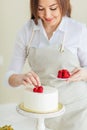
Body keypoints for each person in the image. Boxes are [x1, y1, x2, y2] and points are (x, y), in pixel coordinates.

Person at [6, 0, 87, 129]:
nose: (47, 15)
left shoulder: (79, 30)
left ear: (63, 5)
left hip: (78, 111)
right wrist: (20, 78)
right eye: (40, 9)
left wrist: (84, 73)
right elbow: (10, 77)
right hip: (43, 112)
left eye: (53, 8)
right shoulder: (27, 31)